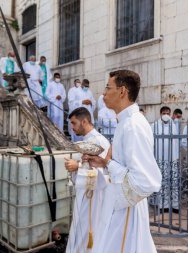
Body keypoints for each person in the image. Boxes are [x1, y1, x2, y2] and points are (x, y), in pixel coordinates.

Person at [83, 70, 162, 253]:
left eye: (107, 87)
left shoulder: (133, 125)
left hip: (127, 210)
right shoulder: (125, 123)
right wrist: (104, 163)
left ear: (122, 91)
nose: (103, 93)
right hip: (118, 205)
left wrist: (109, 164)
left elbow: (145, 180)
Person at [65, 107, 110, 253]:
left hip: (94, 198)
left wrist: (77, 166)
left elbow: (104, 171)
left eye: (74, 123)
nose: (71, 127)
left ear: (84, 121)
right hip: (85, 195)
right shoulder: (87, 140)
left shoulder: (98, 141)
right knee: (80, 230)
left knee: (88, 232)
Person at [151, 106, 179, 212]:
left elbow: (176, 142)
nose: (166, 115)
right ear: (160, 114)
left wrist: (176, 157)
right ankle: (163, 205)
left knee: (173, 181)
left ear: (170, 113)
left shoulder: (173, 125)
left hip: (172, 158)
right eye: (164, 113)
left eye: (168, 113)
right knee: (162, 181)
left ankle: (175, 205)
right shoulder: (154, 126)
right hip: (159, 157)